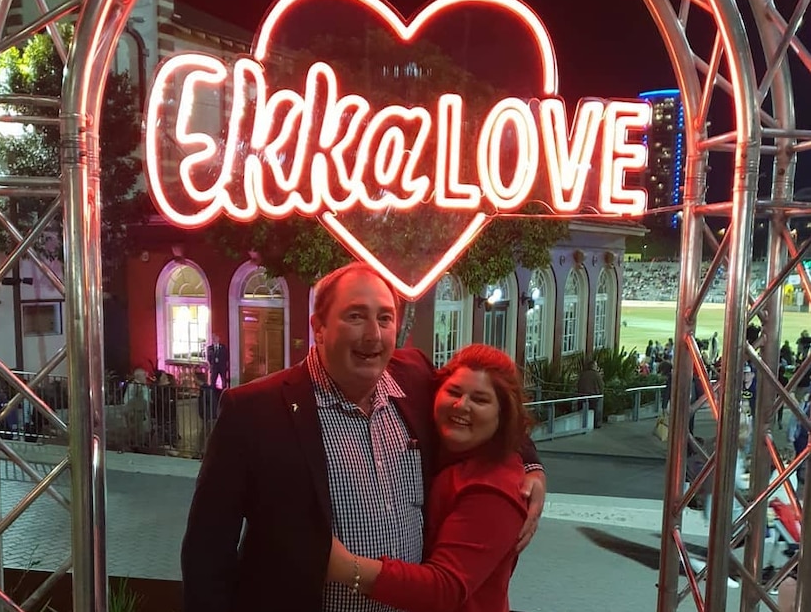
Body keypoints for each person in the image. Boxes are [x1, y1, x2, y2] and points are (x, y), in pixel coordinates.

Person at [181, 262, 546, 611]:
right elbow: (206, 552)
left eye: (384, 318)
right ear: (319, 326)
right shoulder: (254, 411)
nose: (373, 334)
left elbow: (486, 408)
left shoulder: (414, 378)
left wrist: (531, 466)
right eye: (355, 316)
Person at [325, 344, 531, 612]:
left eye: (480, 399)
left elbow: (445, 588)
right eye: (454, 392)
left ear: (503, 415)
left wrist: (345, 566)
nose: (461, 405)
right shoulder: (448, 453)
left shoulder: (493, 489)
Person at [576, 358, 605, 428]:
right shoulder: (596, 375)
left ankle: (581, 425)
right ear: (593, 366)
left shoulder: (583, 374)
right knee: (594, 412)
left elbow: (578, 384)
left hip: (582, 395)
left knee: (582, 411)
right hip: (593, 397)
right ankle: (595, 424)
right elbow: (601, 385)